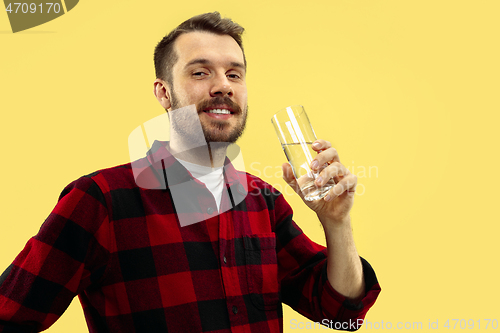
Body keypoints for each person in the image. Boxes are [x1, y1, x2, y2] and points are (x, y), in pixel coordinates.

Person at [0, 12, 380, 332]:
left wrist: (337, 223)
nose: (222, 87)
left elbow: (340, 313)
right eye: (200, 73)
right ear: (164, 93)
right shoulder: (100, 199)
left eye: (235, 74)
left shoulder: (263, 202)